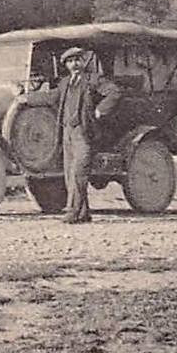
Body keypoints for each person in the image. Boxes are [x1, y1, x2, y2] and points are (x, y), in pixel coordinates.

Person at [57, 46, 121, 224]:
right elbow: (52, 97)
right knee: (70, 174)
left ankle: (72, 212)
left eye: (77, 60)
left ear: (84, 61)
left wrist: (101, 109)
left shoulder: (93, 79)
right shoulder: (64, 83)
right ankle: (83, 214)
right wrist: (24, 96)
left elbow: (114, 92)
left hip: (84, 133)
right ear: (66, 65)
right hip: (67, 133)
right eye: (70, 61)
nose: (74, 64)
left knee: (78, 172)